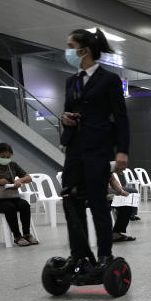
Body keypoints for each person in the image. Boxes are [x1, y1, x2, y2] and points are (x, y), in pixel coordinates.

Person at [58, 28, 130, 270]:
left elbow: (121, 118)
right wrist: (64, 118)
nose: (67, 50)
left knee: (98, 201)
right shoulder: (71, 81)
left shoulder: (109, 80)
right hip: (74, 148)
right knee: (71, 199)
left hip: (98, 148)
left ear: (83, 50)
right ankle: (79, 253)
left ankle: (105, 254)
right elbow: (68, 109)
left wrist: (122, 151)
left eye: (70, 45)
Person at [108, 174, 137, 243]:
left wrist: (121, 191)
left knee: (127, 204)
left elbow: (113, 179)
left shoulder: (107, 167)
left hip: (106, 191)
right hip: (92, 194)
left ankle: (116, 233)